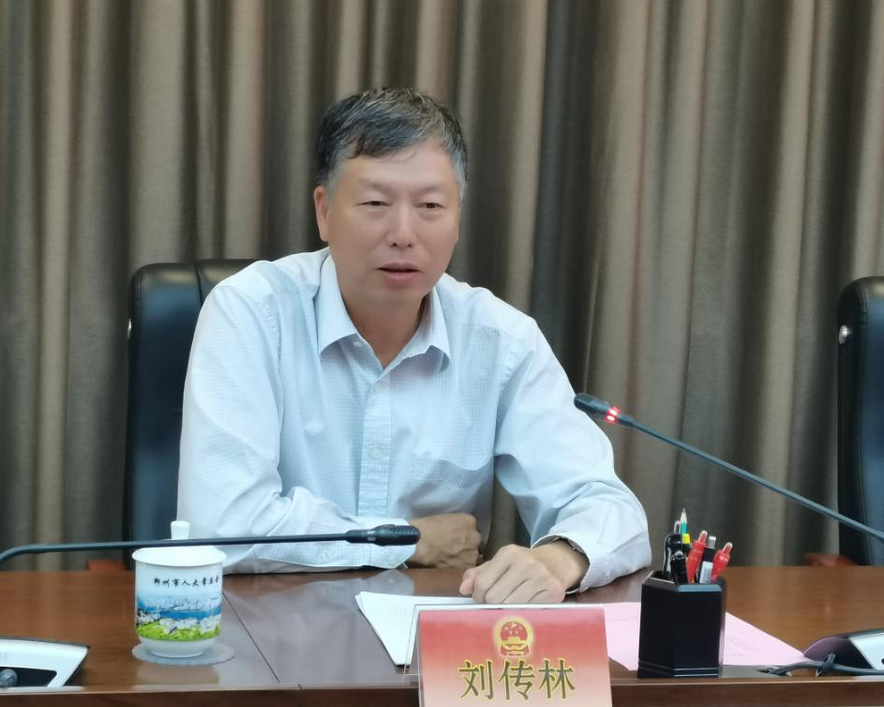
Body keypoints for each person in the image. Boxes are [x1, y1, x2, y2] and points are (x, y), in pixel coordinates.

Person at [177, 88, 650, 603]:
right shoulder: (252, 313)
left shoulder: (501, 342)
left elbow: (609, 507)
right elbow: (220, 526)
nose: (403, 234)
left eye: (430, 206)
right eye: (375, 204)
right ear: (324, 212)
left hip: (432, 642)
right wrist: (407, 540)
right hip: (269, 631)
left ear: (457, 217)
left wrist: (560, 558)